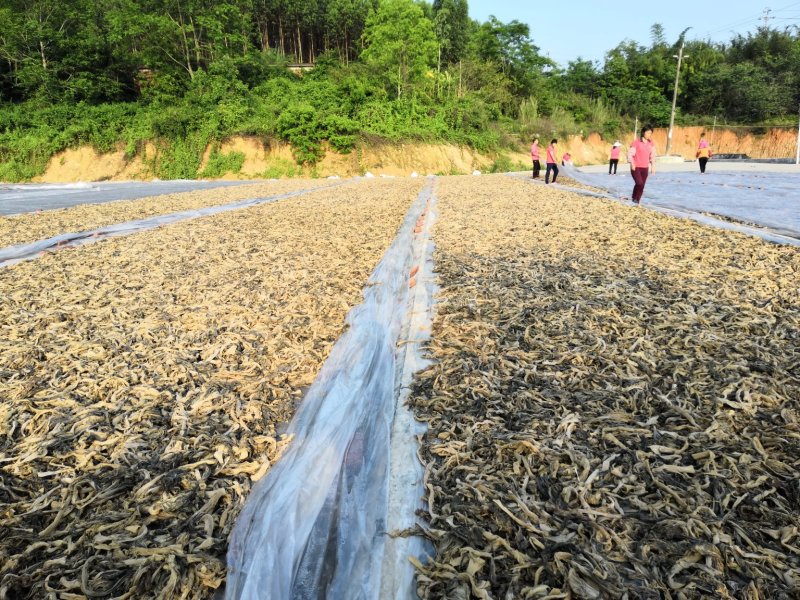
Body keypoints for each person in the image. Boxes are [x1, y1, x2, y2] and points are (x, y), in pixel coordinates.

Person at [627, 125, 656, 204]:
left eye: (650, 133)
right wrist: (632, 163)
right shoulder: (636, 142)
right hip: (636, 167)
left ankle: (637, 200)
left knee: (642, 185)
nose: (649, 135)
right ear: (643, 132)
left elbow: (652, 155)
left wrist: (653, 166)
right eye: (648, 133)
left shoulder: (651, 143)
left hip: (645, 168)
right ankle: (634, 197)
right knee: (639, 183)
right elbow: (630, 154)